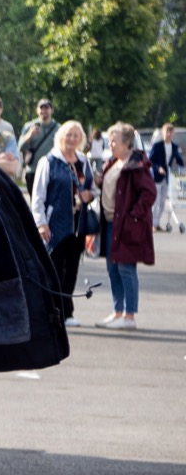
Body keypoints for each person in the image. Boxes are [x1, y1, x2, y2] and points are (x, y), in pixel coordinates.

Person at [30, 120, 96, 324]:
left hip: (78, 225)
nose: (72, 139)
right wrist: (41, 223)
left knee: (72, 270)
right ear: (61, 136)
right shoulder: (49, 161)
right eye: (68, 135)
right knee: (55, 269)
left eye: (76, 135)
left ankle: (67, 312)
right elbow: (38, 196)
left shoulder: (83, 161)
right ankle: (53, 312)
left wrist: (89, 195)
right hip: (55, 224)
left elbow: (93, 189)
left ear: (81, 139)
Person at [95, 122, 156, 330]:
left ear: (127, 142)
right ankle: (117, 312)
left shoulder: (137, 164)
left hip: (126, 225)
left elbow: (149, 193)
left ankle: (129, 317)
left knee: (125, 269)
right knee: (113, 268)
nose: (110, 144)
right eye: (110, 140)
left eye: (114, 141)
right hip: (110, 223)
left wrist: (133, 217)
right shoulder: (114, 162)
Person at [148, 121, 181, 234]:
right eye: (167, 131)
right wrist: (158, 168)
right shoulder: (157, 146)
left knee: (162, 202)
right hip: (157, 177)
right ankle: (153, 224)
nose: (168, 134)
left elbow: (179, 160)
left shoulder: (174, 147)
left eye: (171, 132)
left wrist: (181, 166)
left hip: (167, 178)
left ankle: (157, 223)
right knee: (156, 202)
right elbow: (150, 161)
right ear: (163, 132)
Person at [18, 99, 59, 183]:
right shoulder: (28, 126)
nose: (43, 111)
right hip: (33, 170)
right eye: (41, 108)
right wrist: (29, 135)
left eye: (46, 108)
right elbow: (20, 148)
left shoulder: (58, 128)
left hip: (52, 170)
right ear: (37, 110)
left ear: (52, 110)